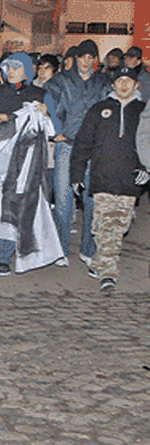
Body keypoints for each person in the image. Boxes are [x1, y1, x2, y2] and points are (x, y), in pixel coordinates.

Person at [0, 53, 51, 279]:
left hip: (24, 161)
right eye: (7, 67)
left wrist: (45, 115)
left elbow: (55, 128)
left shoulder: (41, 95)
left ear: (27, 69)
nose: (11, 71)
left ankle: (4, 256)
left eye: (16, 67)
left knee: (13, 206)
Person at [69, 66, 147, 293]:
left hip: (129, 180)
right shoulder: (99, 109)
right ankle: (109, 273)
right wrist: (76, 174)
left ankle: (99, 261)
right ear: (112, 85)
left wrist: (146, 168)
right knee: (105, 228)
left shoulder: (142, 111)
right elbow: (83, 144)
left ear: (136, 85)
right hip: (102, 178)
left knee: (119, 226)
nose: (124, 84)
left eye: (128, 81)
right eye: (119, 80)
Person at [45, 39, 110, 267]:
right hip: (67, 146)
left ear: (95, 60)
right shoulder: (60, 81)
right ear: (76, 59)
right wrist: (55, 132)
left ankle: (88, 249)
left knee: (91, 199)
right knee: (63, 200)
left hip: (92, 148)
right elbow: (46, 107)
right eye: (82, 56)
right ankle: (61, 249)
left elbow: (112, 109)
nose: (86, 61)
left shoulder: (103, 82)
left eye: (90, 57)